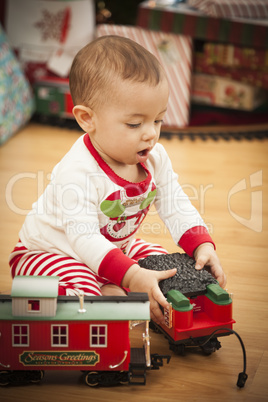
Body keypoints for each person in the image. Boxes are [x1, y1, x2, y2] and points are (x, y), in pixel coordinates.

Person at [9, 35, 226, 324]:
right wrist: (132, 275)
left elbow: (175, 205)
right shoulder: (77, 171)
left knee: (166, 264)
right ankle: (82, 295)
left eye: (158, 120)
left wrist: (201, 246)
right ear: (88, 119)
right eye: (135, 124)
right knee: (91, 296)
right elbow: (83, 238)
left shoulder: (155, 158)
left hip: (115, 247)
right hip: (51, 252)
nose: (150, 133)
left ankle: (128, 292)